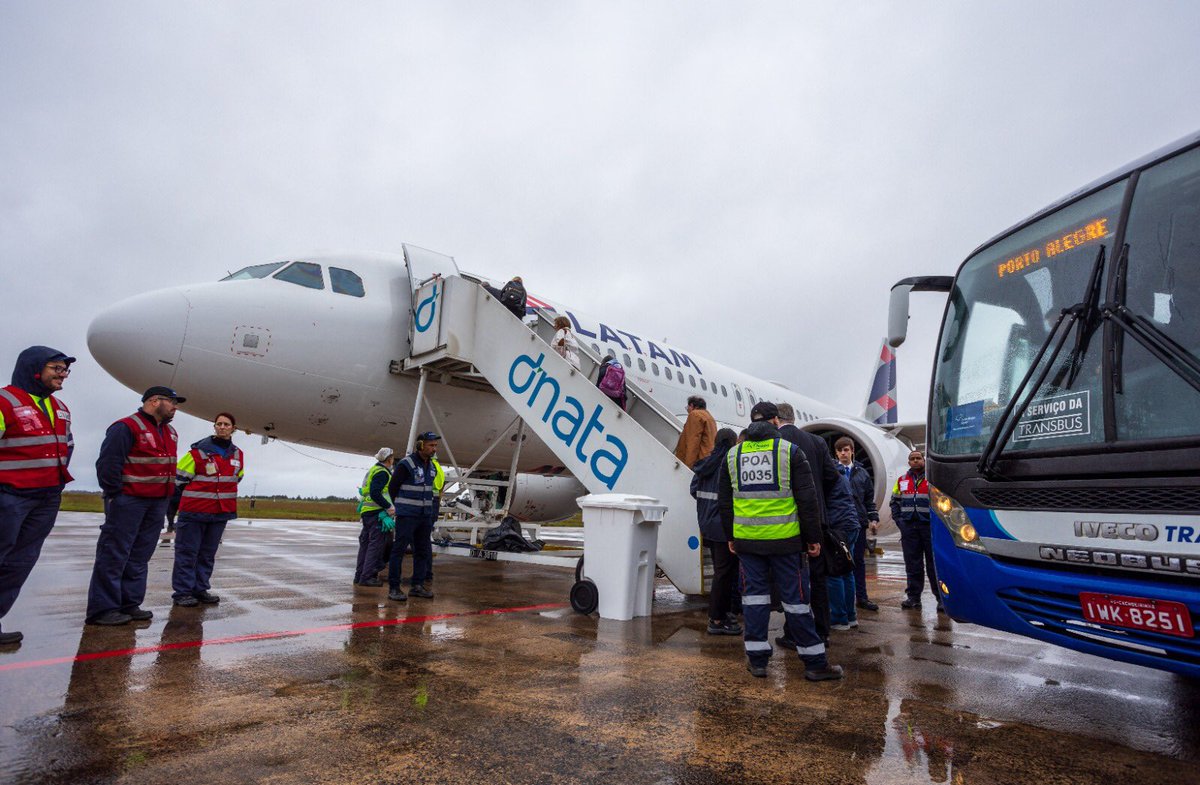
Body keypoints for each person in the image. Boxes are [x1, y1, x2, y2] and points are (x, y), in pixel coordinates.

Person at [719, 401, 842, 681]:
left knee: (754, 601)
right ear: (776, 422)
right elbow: (807, 499)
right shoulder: (789, 451)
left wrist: (731, 537)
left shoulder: (733, 455)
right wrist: (813, 538)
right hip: (786, 542)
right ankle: (814, 663)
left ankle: (758, 661)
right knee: (796, 602)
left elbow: (725, 503)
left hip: (748, 542)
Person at [87, 386, 183, 625]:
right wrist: (116, 495)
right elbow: (108, 464)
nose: (175, 407)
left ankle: (129, 603)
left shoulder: (170, 432)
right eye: (171, 402)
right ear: (153, 401)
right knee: (115, 553)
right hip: (129, 501)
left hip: (157, 503)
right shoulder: (125, 427)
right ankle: (103, 609)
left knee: (140, 555)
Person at [0, 347, 75, 644]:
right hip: (9, 496)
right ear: (34, 369)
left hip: (46, 498)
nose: (62, 374)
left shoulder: (60, 407)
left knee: (21, 562)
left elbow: (68, 445)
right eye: (56, 368)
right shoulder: (5, 401)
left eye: (64, 370)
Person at [774, 402, 857, 642]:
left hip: (785, 522)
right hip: (816, 521)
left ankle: (793, 633)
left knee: (791, 580)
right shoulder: (817, 442)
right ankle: (822, 630)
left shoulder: (774, 444)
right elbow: (833, 478)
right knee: (819, 579)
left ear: (777, 420)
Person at [171, 412, 244, 607]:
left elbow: (238, 477)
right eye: (218, 423)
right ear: (214, 427)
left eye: (226, 424)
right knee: (187, 553)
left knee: (207, 553)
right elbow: (178, 480)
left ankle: (200, 588)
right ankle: (183, 592)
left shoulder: (238, 454)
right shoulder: (196, 453)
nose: (222, 427)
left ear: (233, 429)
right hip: (195, 511)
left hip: (220, 513)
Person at [690, 427, 740, 636]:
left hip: (707, 525)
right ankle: (716, 619)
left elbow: (694, 490)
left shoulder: (705, 465)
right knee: (724, 573)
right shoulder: (729, 464)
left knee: (724, 572)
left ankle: (724, 612)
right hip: (724, 528)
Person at [385, 432, 439, 601]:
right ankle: (394, 587)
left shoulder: (431, 466)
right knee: (399, 551)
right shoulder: (406, 464)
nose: (434, 449)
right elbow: (392, 488)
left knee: (422, 551)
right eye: (431, 445)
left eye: (435, 446)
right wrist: (395, 508)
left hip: (424, 517)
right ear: (420, 445)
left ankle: (417, 585)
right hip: (407, 516)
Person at [891, 450, 942, 611]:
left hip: (928, 528)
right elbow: (894, 502)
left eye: (918, 458)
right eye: (912, 459)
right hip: (909, 528)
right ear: (908, 462)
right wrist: (900, 522)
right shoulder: (901, 481)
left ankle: (941, 599)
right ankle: (913, 597)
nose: (915, 461)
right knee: (913, 565)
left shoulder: (933, 480)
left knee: (934, 566)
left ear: (923, 460)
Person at [835, 437, 881, 612]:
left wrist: (873, 519)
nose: (843, 453)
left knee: (858, 562)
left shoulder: (862, 473)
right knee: (840, 563)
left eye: (846, 450)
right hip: (839, 524)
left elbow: (869, 499)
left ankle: (862, 597)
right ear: (836, 453)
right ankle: (843, 602)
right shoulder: (833, 471)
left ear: (852, 451)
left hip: (859, 523)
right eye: (840, 451)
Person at [354, 448, 395, 588]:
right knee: (375, 546)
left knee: (365, 545)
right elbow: (376, 493)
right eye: (392, 458)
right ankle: (367, 577)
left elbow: (368, 492)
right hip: (376, 513)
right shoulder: (382, 473)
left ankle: (359, 575)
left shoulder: (373, 470)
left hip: (367, 512)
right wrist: (388, 507)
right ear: (389, 459)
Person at [674, 395, 717, 467]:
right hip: (707, 461)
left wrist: (688, 467)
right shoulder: (710, 418)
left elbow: (692, 442)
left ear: (691, 405)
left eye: (687, 408)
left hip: (697, 463)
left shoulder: (695, 415)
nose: (687, 410)